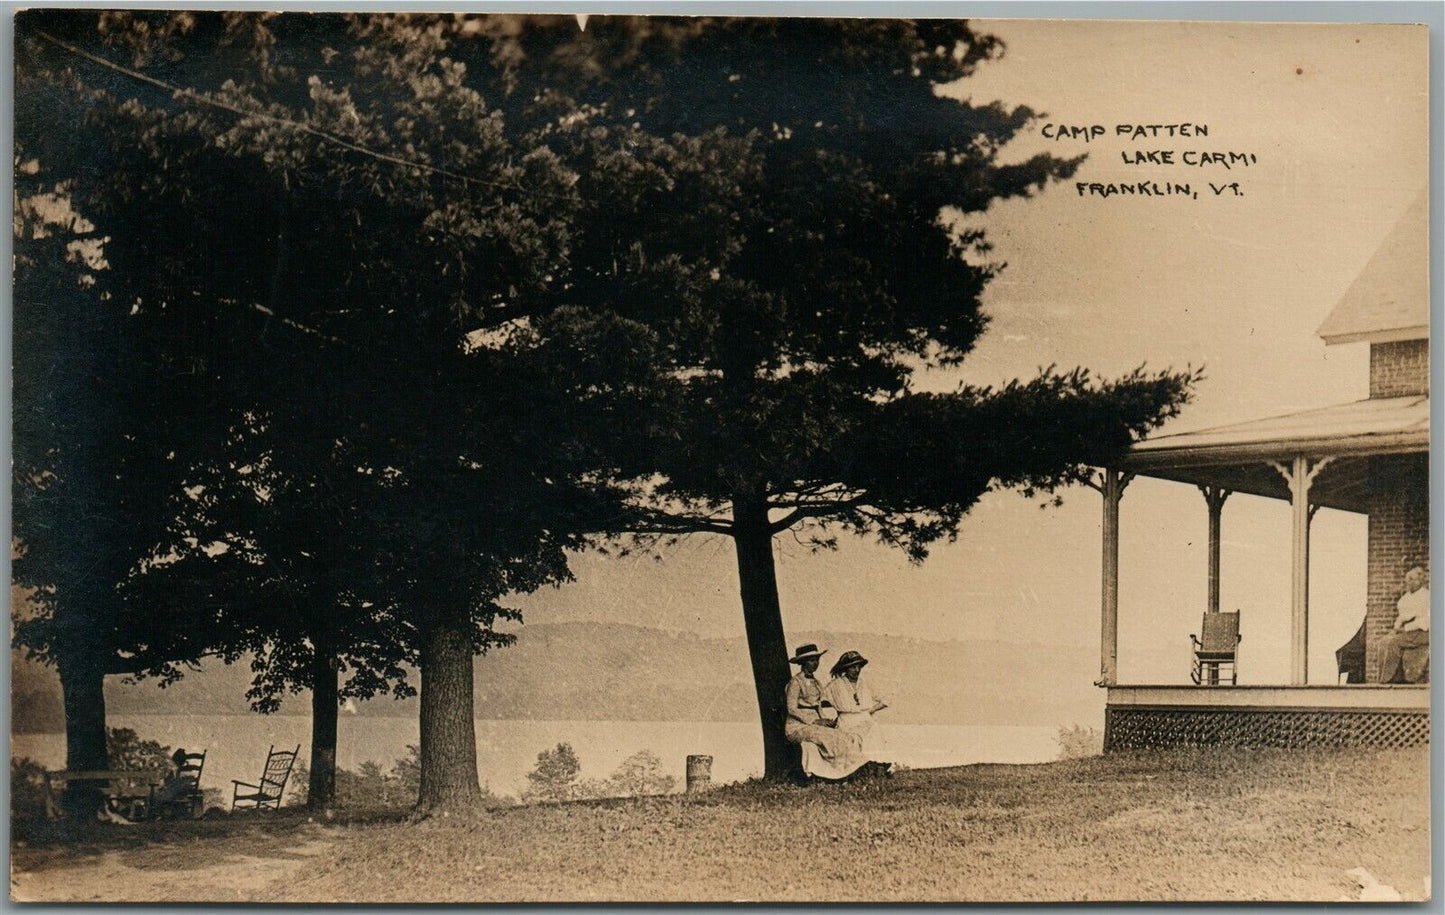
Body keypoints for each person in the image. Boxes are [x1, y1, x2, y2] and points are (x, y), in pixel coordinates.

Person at [783, 644, 865, 782]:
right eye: (811, 660)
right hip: (797, 727)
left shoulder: (817, 682)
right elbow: (791, 708)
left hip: (815, 724)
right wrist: (814, 721)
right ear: (802, 663)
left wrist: (826, 720)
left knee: (841, 734)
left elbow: (819, 706)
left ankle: (843, 771)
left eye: (817, 660)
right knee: (829, 738)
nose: (815, 664)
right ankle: (833, 774)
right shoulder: (796, 682)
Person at [821, 650, 891, 775]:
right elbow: (819, 701)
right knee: (852, 741)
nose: (857, 670)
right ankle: (858, 770)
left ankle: (876, 766)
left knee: (874, 730)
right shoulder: (835, 685)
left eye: (859, 666)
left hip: (865, 718)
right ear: (845, 669)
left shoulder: (865, 683)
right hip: (846, 720)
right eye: (853, 667)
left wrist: (870, 710)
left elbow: (886, 699)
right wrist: (829, 716)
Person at [1378, 565, 1430, 683]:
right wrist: (1395, 629)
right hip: (1408, 633)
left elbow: (1426, 621)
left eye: (1412, 579)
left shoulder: (1427, 596)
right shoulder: (1405, 599)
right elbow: (1401, 617)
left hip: (1423, 633)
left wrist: (1405, 628)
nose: (1409, 582)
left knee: (1392, 642)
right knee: (1383, 642)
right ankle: (1390, 678)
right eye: (1408, 579)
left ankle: (1387, 680)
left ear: (1421, 580)